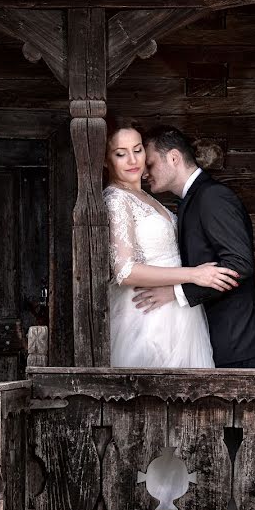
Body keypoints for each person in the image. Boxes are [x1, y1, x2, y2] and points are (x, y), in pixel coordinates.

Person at [133, 125, 255, 368]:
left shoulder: (213, 196)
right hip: (216, 341)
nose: (145, 172)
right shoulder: (190, 201)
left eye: (151, 163)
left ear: (174, 157)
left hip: (237, 343)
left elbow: (239, 265)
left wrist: (175, 294)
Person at [103, 119, 240, 369]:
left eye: (138, 150)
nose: (133, 160)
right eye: (121, 154)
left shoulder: (146, 197)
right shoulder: (116, 199)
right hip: (147, 315)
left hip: (179, 311)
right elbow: (124, 271)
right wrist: (194, 274)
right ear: (106, 160)